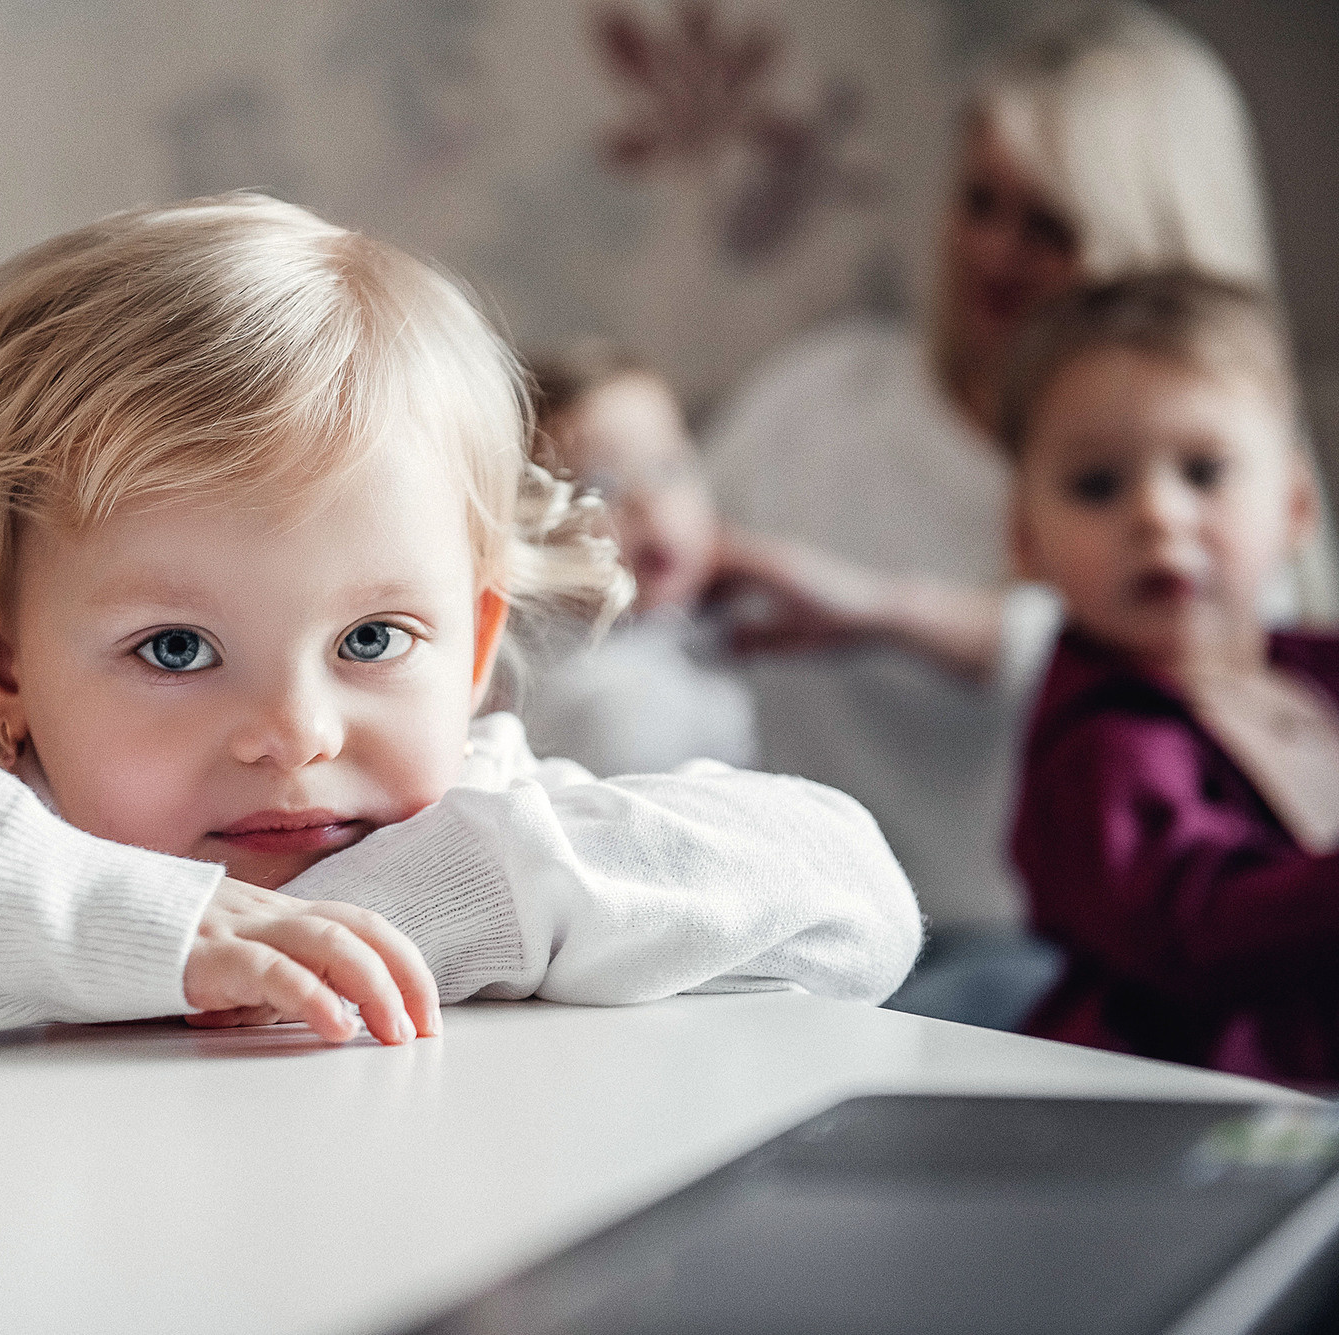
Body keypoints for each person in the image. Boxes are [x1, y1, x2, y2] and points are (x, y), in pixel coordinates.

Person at [0, 194, 921, 1049]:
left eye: (372, 641)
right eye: (176, 648)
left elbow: (853, 891)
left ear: (476, 648)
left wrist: (431, 906)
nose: (294, 734)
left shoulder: (483, 814)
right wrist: (130, 928)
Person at [702, 5, 1321, 1029]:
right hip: (858, 950)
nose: (995, 252)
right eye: (980, 203)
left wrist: (891, 612)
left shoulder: (1245, 578)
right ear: (1022, 535)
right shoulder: (817, 403)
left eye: (1049, 226)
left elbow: (1187, 669)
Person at [1006, 271, 1339, 1082]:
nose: (1156, 513)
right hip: (1189, 1107)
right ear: (1026, 539)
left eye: (1204, 471)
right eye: (1098, 485)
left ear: (1296, 504)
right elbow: (1196, 926)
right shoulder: (1105, 743)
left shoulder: (1316, 669)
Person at [513, 342, 756, 776]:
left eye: (668, 469)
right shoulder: (606, 705)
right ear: (528, 533)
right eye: (600, 489)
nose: (649, 505)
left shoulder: (707, 619)